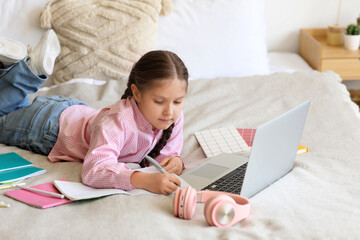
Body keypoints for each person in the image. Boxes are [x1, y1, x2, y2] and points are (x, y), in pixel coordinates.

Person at [0, 31, 189, 194]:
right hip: (48, 127)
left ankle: (24, 69)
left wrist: (175, 162)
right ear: (137, 93)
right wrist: (141, 180)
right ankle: (23, 71)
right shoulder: (119, 121)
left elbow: (165, 154)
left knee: (16, 109)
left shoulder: (172, 117)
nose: (169, 111)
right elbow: (94, 171)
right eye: (159, 101)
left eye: (178, 101)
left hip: (73, 111)